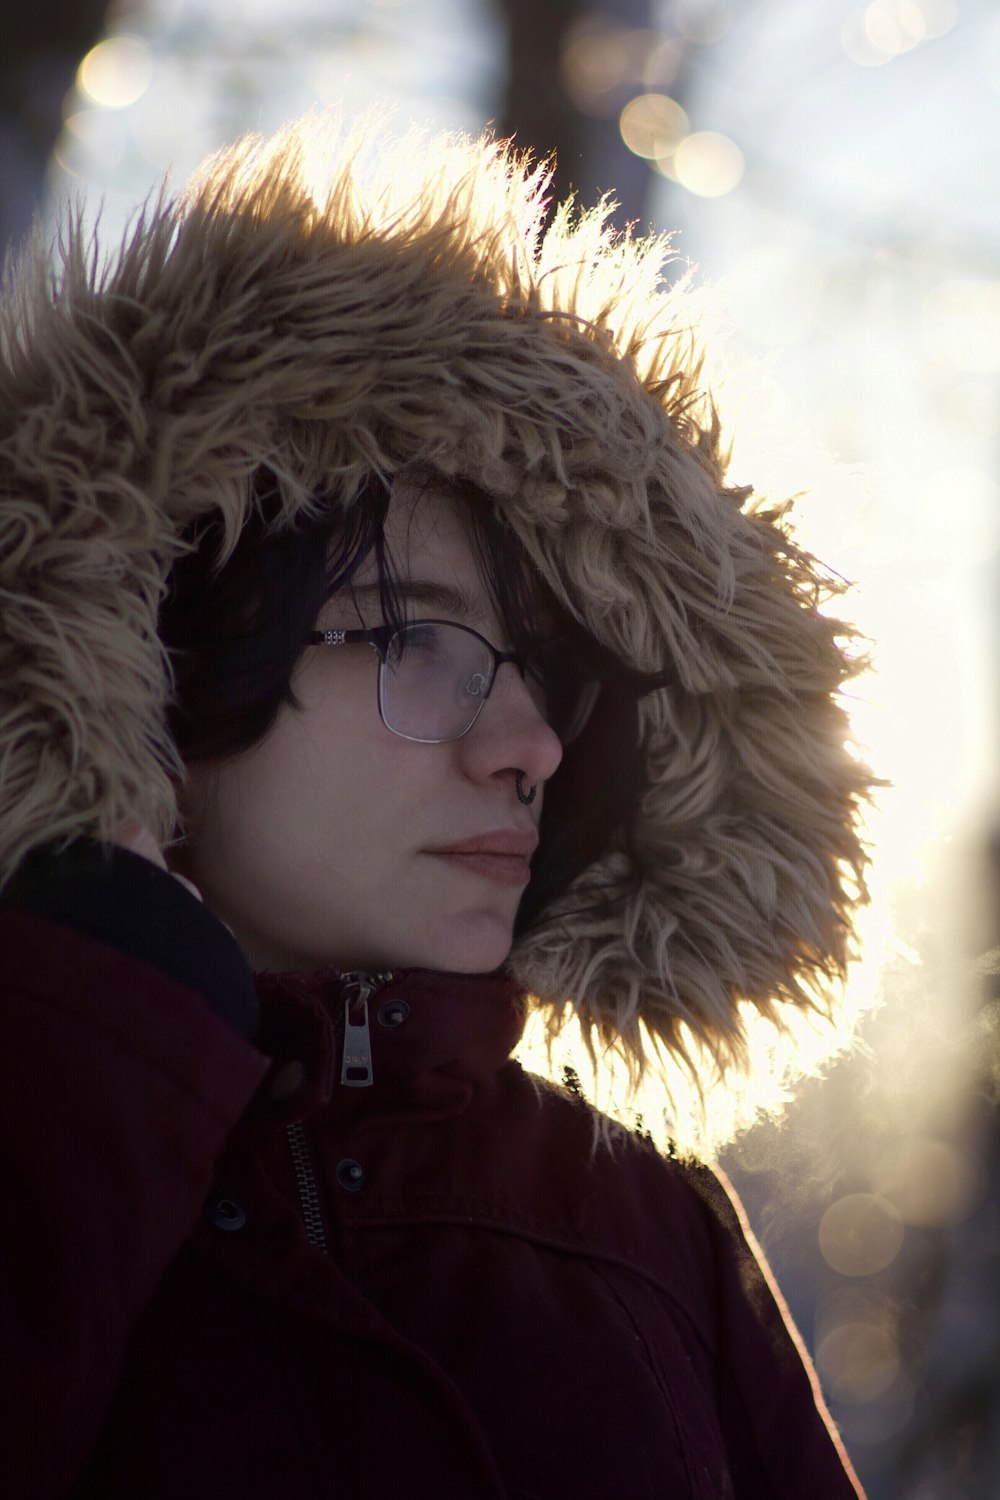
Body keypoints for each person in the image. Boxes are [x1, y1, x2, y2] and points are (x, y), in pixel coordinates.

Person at [0, 110, 875, 1498]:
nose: (529, 745)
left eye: (550, 678)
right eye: (414, 638)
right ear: (160, 649)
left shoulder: (658, 1228)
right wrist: (100, 1039)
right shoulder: (36, 1109)